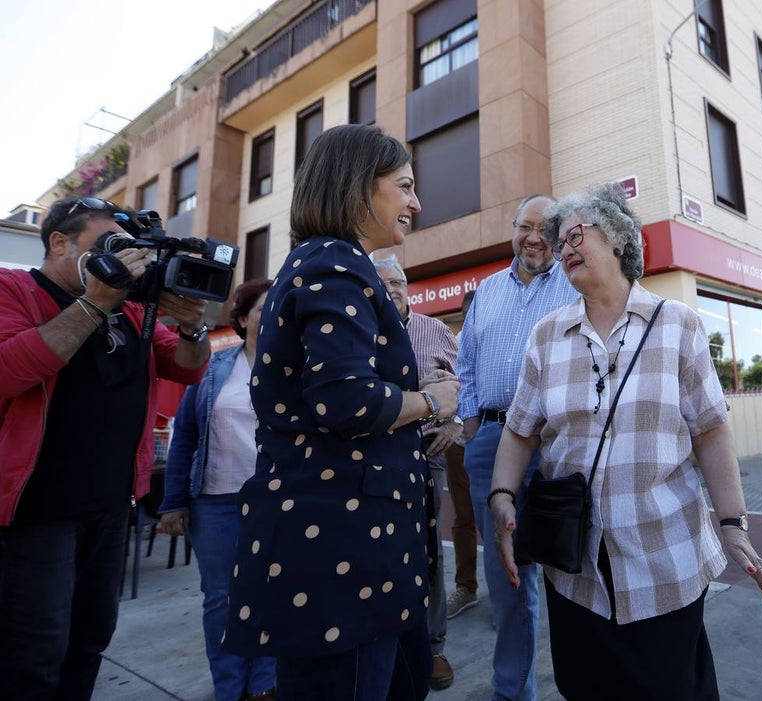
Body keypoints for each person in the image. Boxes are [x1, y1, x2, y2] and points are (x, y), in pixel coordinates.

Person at [487, 182, 762, 700]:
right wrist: (501, 497)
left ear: (620, 240)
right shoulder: (546, 335)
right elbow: (519, 432)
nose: (564, 248)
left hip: (664, 562)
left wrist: (733, 523)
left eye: (576, 234)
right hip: (573, 568)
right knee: (585, 688)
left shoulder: (679, 326)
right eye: (560, 243)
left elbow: (712, 432)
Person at [222, 124, 459, 701]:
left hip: (357, 544)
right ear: (359, 189)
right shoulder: (336, 265)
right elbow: (347, 400)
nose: (415, 202)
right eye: (403, 186)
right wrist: (433, 401)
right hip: (341, 551)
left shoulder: (326, 264)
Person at [0, 196, 210, 700]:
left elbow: (188, 366)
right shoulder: (14, 289)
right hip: (36, 512)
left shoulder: (133, 310)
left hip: (112, 507)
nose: (124, 261)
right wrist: (95, 301)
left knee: (89, 639)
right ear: (59, 242)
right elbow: (10, 371)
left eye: (129, 249)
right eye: (108, 247)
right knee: (32, 653)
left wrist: (192, 324)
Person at [456, 194, 578, 700]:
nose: (534, 237)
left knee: (574, 568)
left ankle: (588, 678)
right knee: (507, 577)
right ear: (513, 229)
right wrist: (470, 429)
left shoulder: (575, 284)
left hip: (556, 443)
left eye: (546, 228)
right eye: (525, 227)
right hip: (491, 439)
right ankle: (513, 691)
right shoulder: (485, 291)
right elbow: (466, 364)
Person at [158, 277, 277, 701]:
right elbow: (185, 436)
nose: (276, 314)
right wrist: (172, 503)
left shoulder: (296, 369)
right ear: (243, 319)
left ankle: (264, 683)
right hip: (216, 502)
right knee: (221, 598)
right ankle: (229, 686)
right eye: (265, 308)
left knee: (270, 592)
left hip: (276, 502)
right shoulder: (213, 367)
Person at [374, 254, 461, 690]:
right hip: (375, 452)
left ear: (408, 287)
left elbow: (467, 380)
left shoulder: (437, 330)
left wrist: (454, 423)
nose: (391, 288)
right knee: (382, 545)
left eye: (397, 281)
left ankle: (433, 644)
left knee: (429, 548)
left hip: (427, 449)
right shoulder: (361, 330)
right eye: (381, 281)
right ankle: (388, 641)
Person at [445, 289, 478, 622]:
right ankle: (466, 587)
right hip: (459, 442)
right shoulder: (452, 344)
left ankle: (510, 591)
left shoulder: (501, 341)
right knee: (463, 518)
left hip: (497, 439)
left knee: (506, 516)